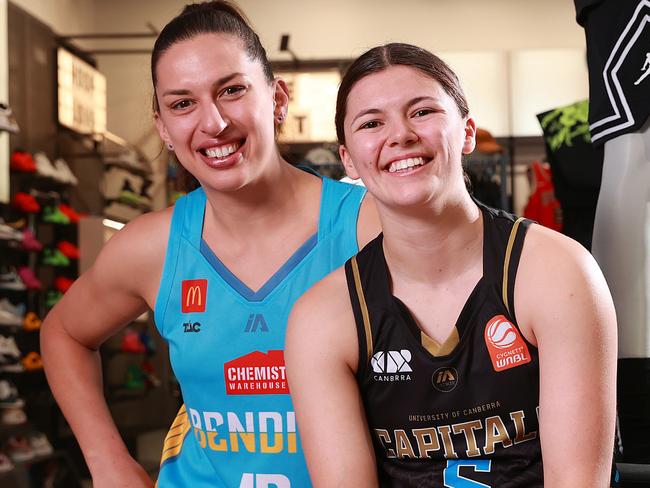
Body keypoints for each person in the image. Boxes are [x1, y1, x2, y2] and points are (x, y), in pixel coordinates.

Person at [40, 2, 379, 487]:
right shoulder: (153, 247)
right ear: (163, 127)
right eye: (182, 103)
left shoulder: (368, 226)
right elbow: (63, 335)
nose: (214, 123)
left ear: (278, 98)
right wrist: (108, 463)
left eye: (232, 90)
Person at [286, 43, 618, 487]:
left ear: (467, 132)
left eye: (422, 112)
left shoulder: (559, 273)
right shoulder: (322, 318)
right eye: (371, 122)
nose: (399, 134)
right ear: (348, 159)